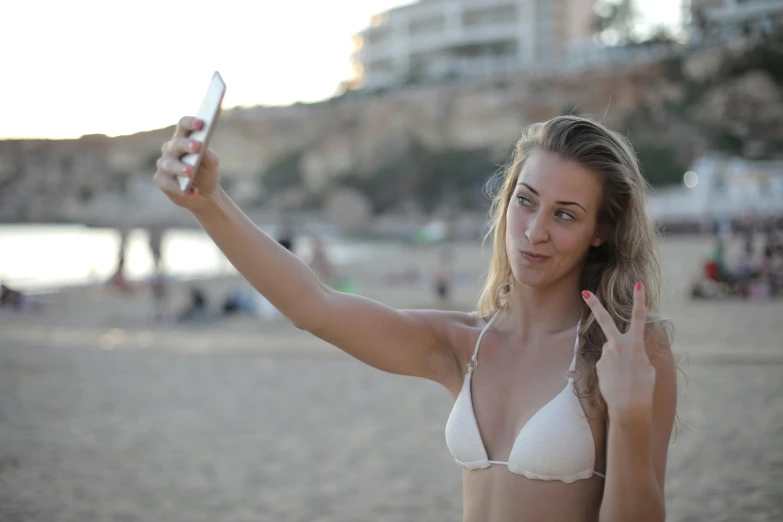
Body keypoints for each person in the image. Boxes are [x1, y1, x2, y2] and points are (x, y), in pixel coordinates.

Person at [154, 115, 678, 521]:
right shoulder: (461, 345)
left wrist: (630, 415)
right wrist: (208, 203)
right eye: (526, 201)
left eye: (565, 214)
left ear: (601, 230)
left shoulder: (626, 353)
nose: (534, 231)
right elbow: (313, 305)